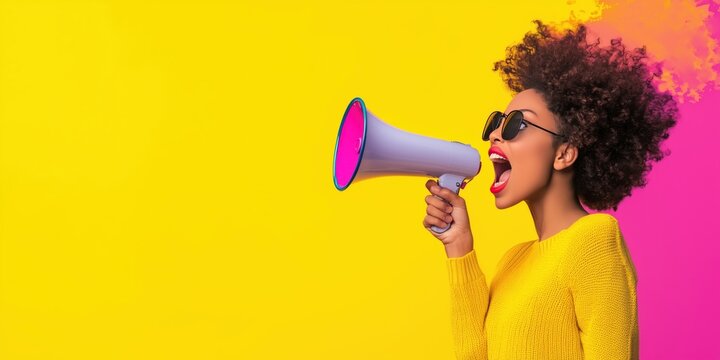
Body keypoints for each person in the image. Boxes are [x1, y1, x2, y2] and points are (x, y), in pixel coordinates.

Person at [422, 20, 677, 360]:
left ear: (564, 153)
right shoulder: (513, 261)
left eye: (516, 124)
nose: (496, 135)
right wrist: (459, 246)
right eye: (496, 123)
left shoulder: (594, 238)